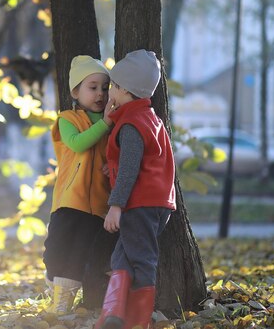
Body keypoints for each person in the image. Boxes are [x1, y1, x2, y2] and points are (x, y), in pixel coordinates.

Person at [94, 49, 176, 329]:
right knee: (123, 256)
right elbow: (143, 161)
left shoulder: (130, 124)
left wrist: (115, 206)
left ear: (125, 90)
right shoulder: (151, 118)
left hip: (139, 203)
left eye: (114, 86)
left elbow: (130, 169)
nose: (110, 92)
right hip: (157, 203)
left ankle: (137, 322)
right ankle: (114, 316)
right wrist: (111, 169)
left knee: (141, 260)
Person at [43, 55, 119, 315]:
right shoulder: (68, 119)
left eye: (105, 87)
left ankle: (63, 303)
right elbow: (77, 143)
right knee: (54, 250)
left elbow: (117, 154)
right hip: (68, 201)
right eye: (93, 87)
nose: (100, 93)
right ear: (76, 91)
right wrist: (106, 123)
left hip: (97, 205)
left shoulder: (115, 123)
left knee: (79, 254)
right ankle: (55, 285)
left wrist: (113, 166)